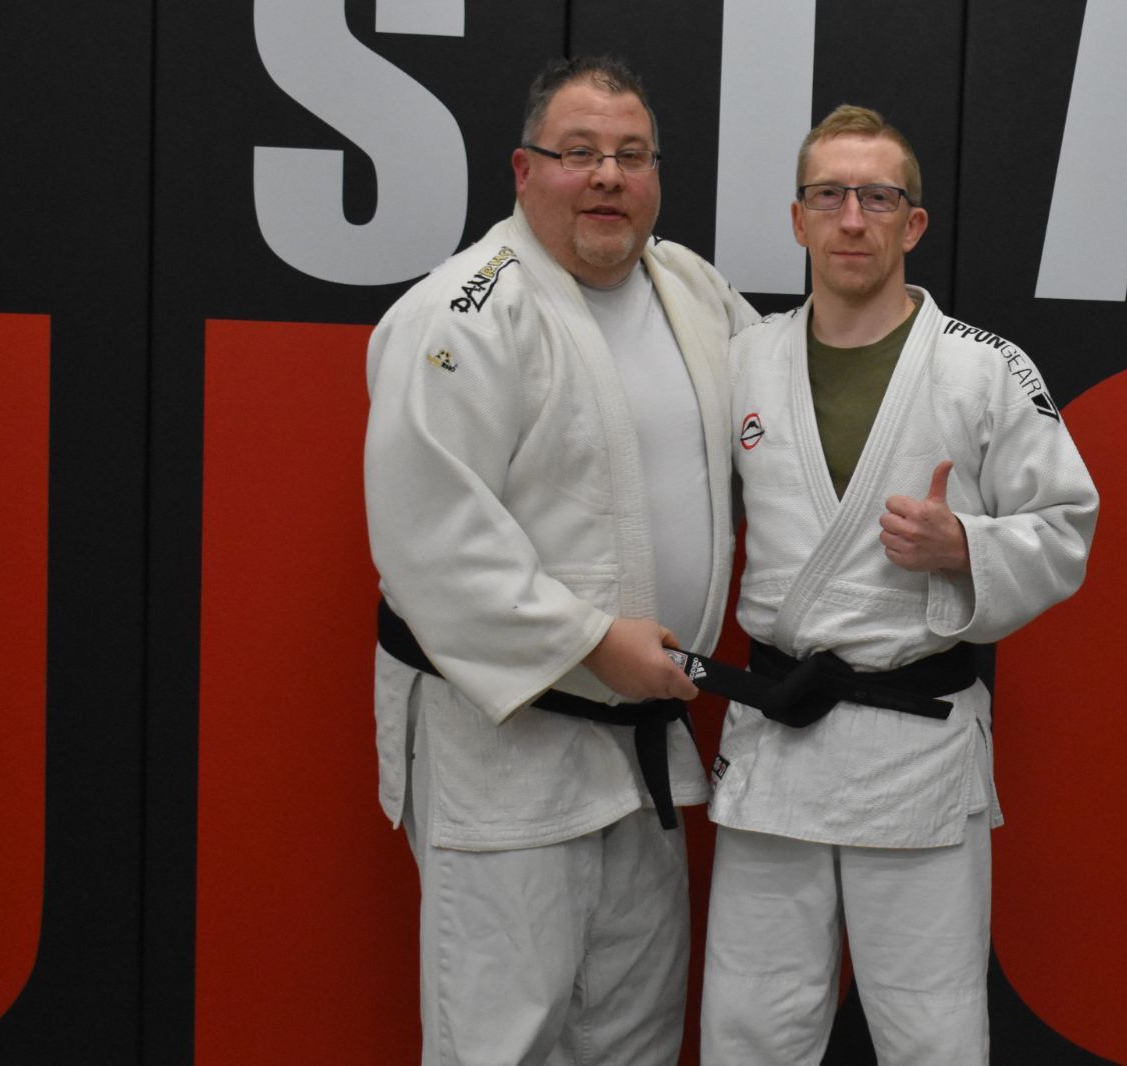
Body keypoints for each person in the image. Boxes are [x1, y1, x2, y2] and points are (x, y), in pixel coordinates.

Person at [363, 56, 756, 1066]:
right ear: (523, 169)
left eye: (631, 155)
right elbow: (431, 536)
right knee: (503, 1036)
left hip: (642, 736)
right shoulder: (460, 313)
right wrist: (588, 641)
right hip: (506, 744)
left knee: (633, 1029)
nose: (607, 176)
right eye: (577, 153)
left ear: (656, 174)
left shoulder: (691, 288)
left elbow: (777, 427)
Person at [699, 105, 1099, 1064]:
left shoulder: (985, 369)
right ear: (797, 218)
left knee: (933, 1034)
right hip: (778, 740)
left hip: (914, 747)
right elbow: (688, 522)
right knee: (752, 1029)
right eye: (829, 196)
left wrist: (965, 545)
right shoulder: (741, 363)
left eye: (877, 198)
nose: (852, 219)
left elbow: (1067, 526)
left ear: (912, 224)